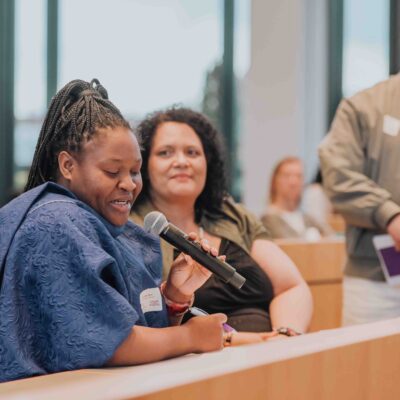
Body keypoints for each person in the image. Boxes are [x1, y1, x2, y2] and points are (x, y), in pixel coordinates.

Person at [0, 79, 229, 383]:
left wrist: (174, 297)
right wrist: (190, 337)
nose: (129, 184)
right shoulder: (56, 223)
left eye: (135, 171)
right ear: (68, 165)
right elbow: (104, 344)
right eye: (112, 171)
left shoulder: (100, 224)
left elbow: (138, 330)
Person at [131, 107, 313, 336]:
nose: (181, 161)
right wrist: (233, 342)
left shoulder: (233, 216)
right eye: (165, 153)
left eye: (192, 152)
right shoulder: (130, 228)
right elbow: (142, 324)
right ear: (144, 164)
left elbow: (291, 287)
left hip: (272, 351)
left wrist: (284, 338)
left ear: (208, 162)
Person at [319, 74, 400, 326]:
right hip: (377, 285)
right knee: (366, 365)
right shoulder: (364, 106)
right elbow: (338, 175)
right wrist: (390, 216)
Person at [260, 157, 333, 240]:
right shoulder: (268, 219)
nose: (293, 182)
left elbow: (330, 237)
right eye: (287, 176)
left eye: (299, 176)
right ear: (275, 181)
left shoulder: (306, 217)